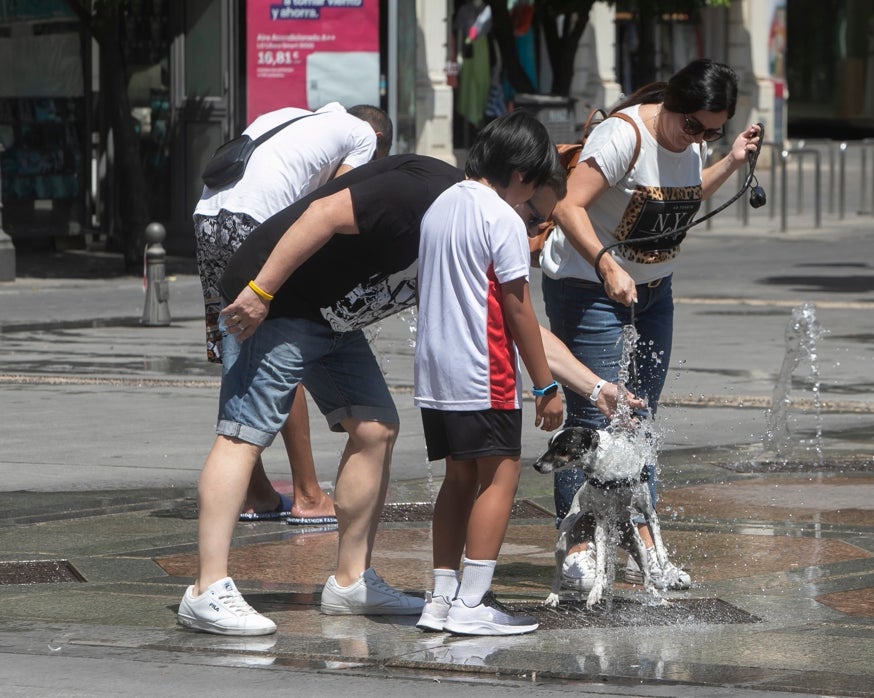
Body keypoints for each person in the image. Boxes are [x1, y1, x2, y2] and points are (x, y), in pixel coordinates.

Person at [177, 137, 639, 638]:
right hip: (277, 300)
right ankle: (207, 589)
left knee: (375, 427)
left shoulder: (476, 224)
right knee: (244, 433)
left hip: (332, 316)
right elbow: (325, 212)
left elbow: (517, 325)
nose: (532, 235)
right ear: (517, 181)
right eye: (533, 218)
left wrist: (596, 389)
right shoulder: (424, 192)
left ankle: (350, 581)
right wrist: (262, 291)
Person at [539, 58, 762, 592]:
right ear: (674, 105)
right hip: (588, 288)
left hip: (653, 293)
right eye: (694, 126)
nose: (699, 137)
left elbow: (683, 196)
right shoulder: (624, 135)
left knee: (640, 423)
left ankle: (645, 546)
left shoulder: (694, 141)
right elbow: (569, 206)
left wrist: (730, 160)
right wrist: (607, 264)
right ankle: (580, 546)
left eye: (714, 130)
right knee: (596, 415)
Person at [193, 102, 392, 524]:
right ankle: (306, 493)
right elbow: (338, 208)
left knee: (238, 345)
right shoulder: (360, 136)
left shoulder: (293, 116)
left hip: (208, 220)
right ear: (378, 145)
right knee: (282, 346)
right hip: (255, 223)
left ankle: (256, 491)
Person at [413, 111, 563, 636]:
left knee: (458, 477)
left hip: (436, 370)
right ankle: (472, 606)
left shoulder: (441, 205)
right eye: (534, 186)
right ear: (521, 174)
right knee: (501, 475)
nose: (530, 200)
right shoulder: (501, 218)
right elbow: (518, 308)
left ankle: (440, 598)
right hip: (484, 367)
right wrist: (545, 385)